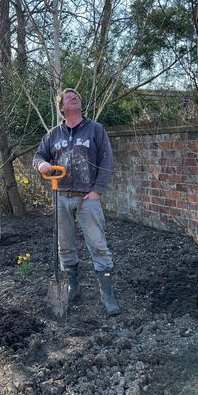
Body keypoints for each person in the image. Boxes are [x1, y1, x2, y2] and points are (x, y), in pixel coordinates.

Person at [33, 88, 120, 315]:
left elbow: (107, 160)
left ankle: (107, 295)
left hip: (87, 197)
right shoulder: (53, 134)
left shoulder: (95, 129)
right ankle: (72, 286)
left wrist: (97, 190)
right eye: (69, 97)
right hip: (61, 196)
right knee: (65, 246)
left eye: (77, 96)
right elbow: (39, 155)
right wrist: (42, 164)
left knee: (98, 245)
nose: (74, 97)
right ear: (62, 108)